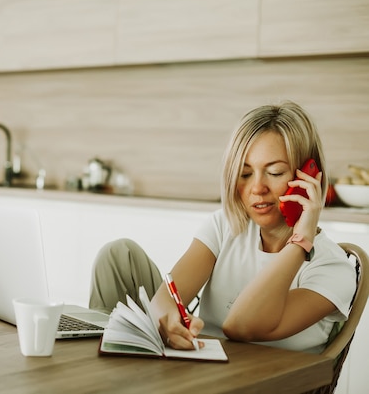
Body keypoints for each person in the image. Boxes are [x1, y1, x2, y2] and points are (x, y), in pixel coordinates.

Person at [89, 101, 356, 354]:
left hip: (258, 384)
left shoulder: (333, 269)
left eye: (274, 172)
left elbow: (240, 326)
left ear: (308, 176)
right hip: (196, 369)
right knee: (117, 255)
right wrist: (167, 321)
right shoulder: (225, 226)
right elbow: (166, 299)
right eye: (245, 173)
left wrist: (301, 241)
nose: (257, 189)